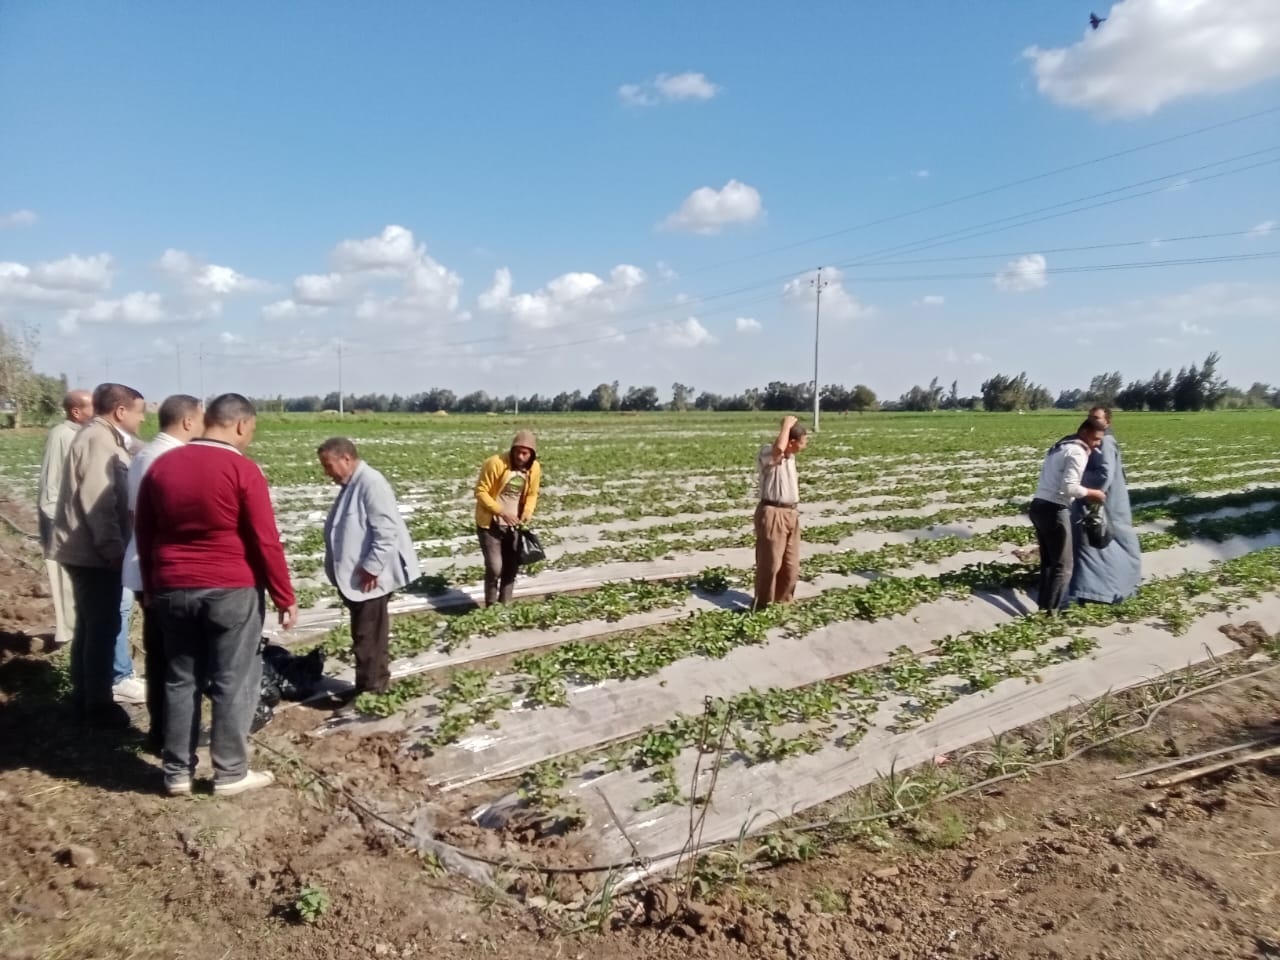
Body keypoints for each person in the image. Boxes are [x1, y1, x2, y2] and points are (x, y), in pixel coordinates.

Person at [135, 393, 297, 797]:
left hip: (172, 585)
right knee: (233, 679)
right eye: (251, 430)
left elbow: (145, 532)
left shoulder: (163, 466)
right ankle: (230, 773)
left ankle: (177, 772)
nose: (250, 437)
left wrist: (152, 586)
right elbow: (265, 539)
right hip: (230, 587)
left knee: (180, 678)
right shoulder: (242, 469)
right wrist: (284, 595)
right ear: (240, 425)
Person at [51, 382, 146, 728]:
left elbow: (138, 450)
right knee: (103, 627)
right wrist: (112, 549)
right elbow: (98, 501)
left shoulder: (106, 437)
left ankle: (83, 696)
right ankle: (98, 704)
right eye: (139, 412)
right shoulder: (98, 440)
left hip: (86, 551)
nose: (142, 419)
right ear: (120, 411)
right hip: (92, 554)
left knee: (92, 625)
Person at [121, 394, 203, 752]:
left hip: (143, 567)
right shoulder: (173, 459)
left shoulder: (144, 454)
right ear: (187, 421)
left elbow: (132, 514)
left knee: (159, 652)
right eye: (201, 418)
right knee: (177, 657)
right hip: (163, 570)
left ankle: (161, 731)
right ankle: (173, 736)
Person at [317, 437, 421, 695]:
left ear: (346, 459)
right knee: (365, 635)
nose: (326, 472)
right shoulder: (353, 483)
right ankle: (368, 687)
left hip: (370, 579)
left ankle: (372, 691)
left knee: (369, 637)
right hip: (360, 577)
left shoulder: (371, 483)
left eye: (328, 465)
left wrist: (372, 567)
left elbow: (386, 532)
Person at [1029, 416, 1108, 614]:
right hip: (1055, 509)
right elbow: (1069, 488)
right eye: (1096, 439)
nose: (1097, 444)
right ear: (1084, 433)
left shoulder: (1060, 446)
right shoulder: (1078, 451)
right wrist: (1094, 493)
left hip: (1038, 505)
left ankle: (1043, 608)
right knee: (1064, 565)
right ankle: (1052, 613)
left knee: (1049, 562)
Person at [1069, 406, 1142, 605]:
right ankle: (1110, 590)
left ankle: (1099, 593)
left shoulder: (1106, 442)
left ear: (1108, 421)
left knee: (1098, 543)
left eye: (1097, 418)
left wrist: (1077, 480)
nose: (1093, 420)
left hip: (1103, 503)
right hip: (1110, 501)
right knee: (1108, 544)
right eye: (1090, 417)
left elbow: (1104, 475)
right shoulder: (1103, 439)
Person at [36, 389, 92, 648]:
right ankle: (68, 640)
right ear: (76, 411)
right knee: (64, 583)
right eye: (92, 407)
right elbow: (51, 485)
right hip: (61, 524)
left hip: (77, 524)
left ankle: (78, 637)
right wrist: (56, 522)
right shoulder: (61, 435)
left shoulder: (82, 434)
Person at [473, 430, 541, 607]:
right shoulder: (495, 463)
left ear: (532, 454)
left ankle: (505, 605)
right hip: (490, 524)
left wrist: (527, 512)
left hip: (514, 526)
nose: (520, 456)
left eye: (525, 453)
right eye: (517, 452)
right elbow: (481, 492)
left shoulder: (534, 468)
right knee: (495, 567)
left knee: (511, 567)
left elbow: (532, 494)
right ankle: (491, 605)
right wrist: (501, 512)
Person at [752, 415, 808, 612]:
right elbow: (778, 450)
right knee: (770, 564)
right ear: (791, 442)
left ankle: (783, 602)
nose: (805, 445)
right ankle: (762, 606)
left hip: (791, 513)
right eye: (803, 442)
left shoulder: (790, 458)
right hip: (773, 512)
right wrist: (786, 425)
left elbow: (783, 449)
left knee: (790, 565)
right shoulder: (768, 453)